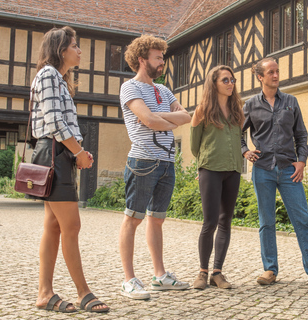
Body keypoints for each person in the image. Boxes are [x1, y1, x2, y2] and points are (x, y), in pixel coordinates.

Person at [242, 57, 308, 288]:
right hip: (263, 170)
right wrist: (245, 151)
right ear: (260, 77)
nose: (276, 76)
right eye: (271, 72)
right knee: (266, 221)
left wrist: (302, 161)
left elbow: (301, 136)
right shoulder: (250, 105)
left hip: (289, 170)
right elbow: (237, 133)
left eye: (277, 71)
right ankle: (270, 269)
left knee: (302, 220)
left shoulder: (291, 102)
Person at [31, 26, 109, 313]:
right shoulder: (49, 75)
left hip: (59, 153)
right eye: (75, 45)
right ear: (61, 49)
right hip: (55, 153)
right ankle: (84, 292)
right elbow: (53, 122)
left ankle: (45, 294)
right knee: (71, 226)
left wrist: (78, 151)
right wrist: (78, 151)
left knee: (53, 227)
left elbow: (62, 124)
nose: (79, 50)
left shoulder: (60, 80)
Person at [118, 34, 191, 299]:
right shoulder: (130, 88)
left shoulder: (164, 90)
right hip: (143, 162)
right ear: (142, 59)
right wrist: (161, 119)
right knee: (132, 219)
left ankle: (159, 276)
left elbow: (186, 117)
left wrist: (157, 118)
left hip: (167, 162)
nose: (162, 62)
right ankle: (129, 280)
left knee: (157, 220)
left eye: (162, 57)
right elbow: (148, 120)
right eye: (158, 57)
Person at [190, 65, 244, 290]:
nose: (230, 83)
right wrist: (203, 166)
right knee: (209, 222)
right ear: (214, 84)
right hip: (210, 169)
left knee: (225, 222)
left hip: (233, 170)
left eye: (232, 80)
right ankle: (202, 272)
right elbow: (194, 146)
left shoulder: (238, 110)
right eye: (225, 80)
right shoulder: (202, 110)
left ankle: (217, 273)